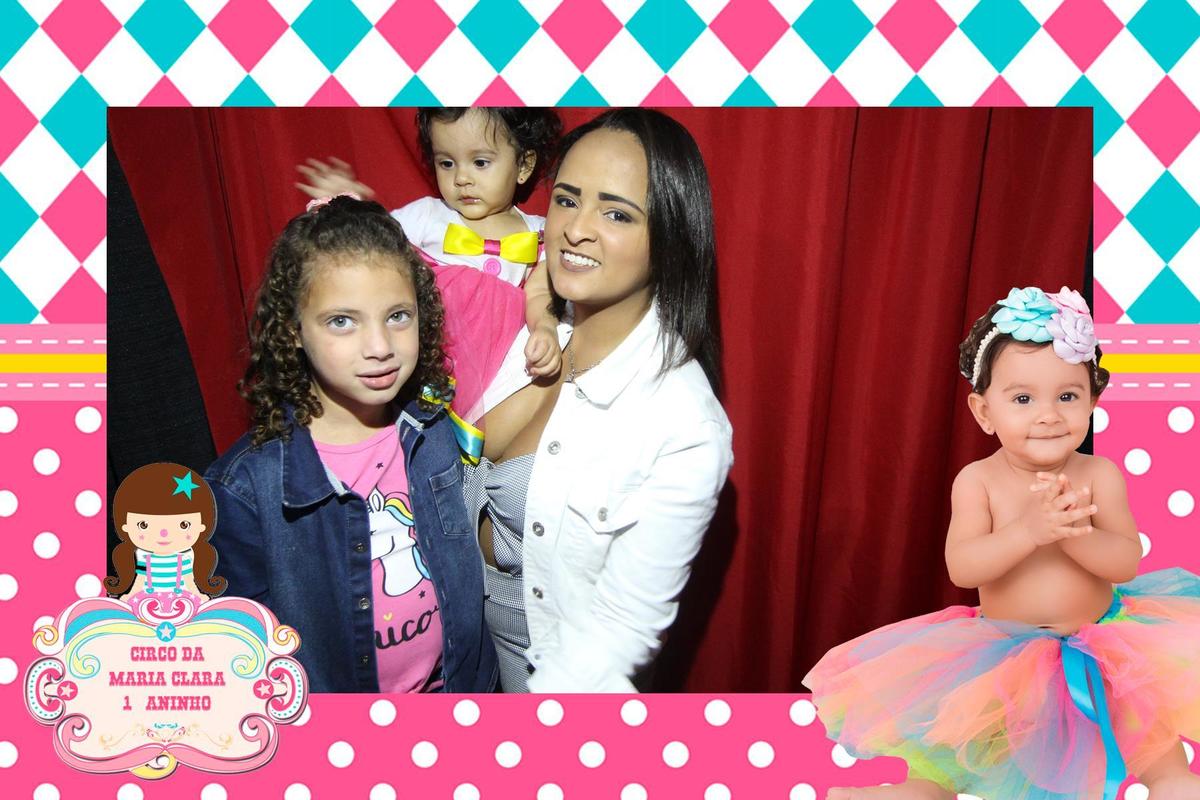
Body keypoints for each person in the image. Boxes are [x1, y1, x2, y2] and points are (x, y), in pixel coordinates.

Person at [805, 287, 1200, 799]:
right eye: (1022, 399)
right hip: (1005, 660)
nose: (1048, 415)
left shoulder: (1099, 474)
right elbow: (964, 567)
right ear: (983, 411)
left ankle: (1174, 785)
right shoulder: (979, 481)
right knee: (943, 776)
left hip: (1107, 649)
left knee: (1160, 757)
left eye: (1067, 396)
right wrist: (1029, 532)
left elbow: (1125, 561)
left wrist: (1074, 536)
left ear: (1093, 402)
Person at [469, 108, 734, 692]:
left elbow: (619, 635)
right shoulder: (514, 317)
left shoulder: (684, 425)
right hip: (450, 656)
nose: (576, 228)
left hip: (546, 681)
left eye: (616, 213)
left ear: (671, 237)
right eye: (567, 200)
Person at [204, 196, 512, 693]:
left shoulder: (435, 430)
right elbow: (238, 659)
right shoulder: (244, 490)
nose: (380, 347)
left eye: (398, 316)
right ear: (293, 330)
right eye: (342, 321)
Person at [297, 107, 563, 382]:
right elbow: (375, 243)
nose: (461, 178)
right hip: (428, 364)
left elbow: (540, 293)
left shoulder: (541, 232)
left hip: (500, 373)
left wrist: (545, 329)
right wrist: (349, 205)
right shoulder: (427, 215)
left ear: (524, 165)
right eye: (446, 163)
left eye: (480, 162)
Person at [105, 462, 226, 600]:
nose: (164, 534)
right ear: (126, 527)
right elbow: (139, 580)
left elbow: (190, 581)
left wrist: (200, 597)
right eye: (144, 525)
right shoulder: (143, 557)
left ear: (201, 526)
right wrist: (129, 597)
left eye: (183, 525)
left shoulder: (187, 557)